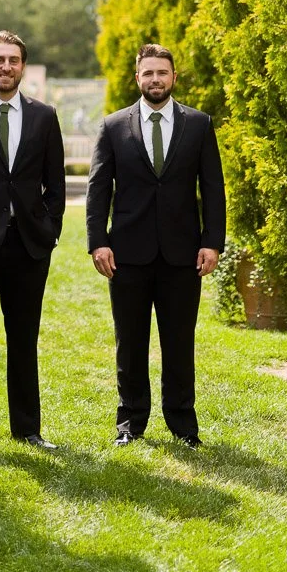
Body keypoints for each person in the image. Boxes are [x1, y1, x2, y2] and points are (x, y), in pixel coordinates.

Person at [85, 43, 225, 447]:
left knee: (179, 343)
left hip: (183, 255)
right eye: (148, 73)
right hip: (127, 254)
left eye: (162, 73)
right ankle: (130, 423)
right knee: (129, 342)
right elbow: (98, 190)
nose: (155, 80)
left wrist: (212, 242)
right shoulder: (113, 126)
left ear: (173, 77)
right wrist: (99, 243)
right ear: (138, 78)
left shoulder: (198, 124)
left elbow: (212, 189)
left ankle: (183, 425)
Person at [0, 30, 65, 463]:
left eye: (14, 60)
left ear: (23, 66)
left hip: (28, 247)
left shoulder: (44, 116)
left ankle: (27, 429)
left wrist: (50, 229)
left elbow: (55, 185)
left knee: (24, 340)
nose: (6, 67)